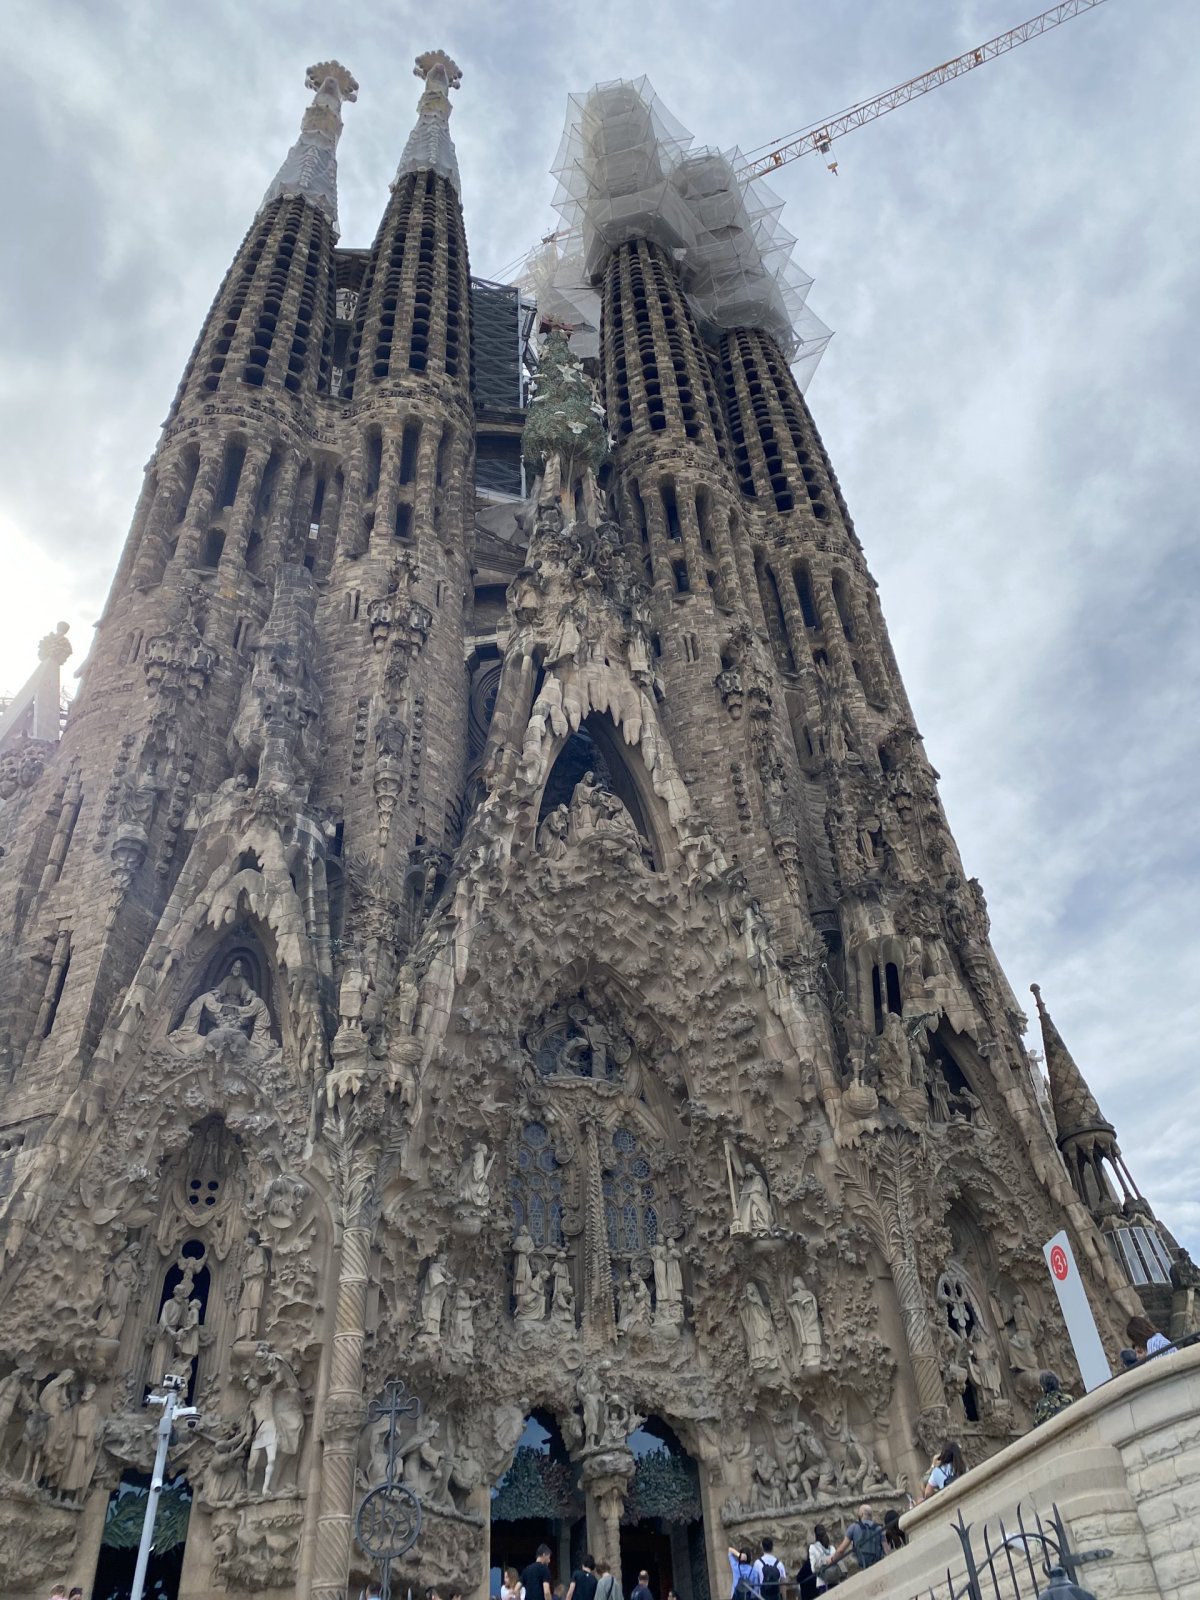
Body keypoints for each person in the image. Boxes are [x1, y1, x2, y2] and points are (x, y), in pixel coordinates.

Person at [827, 1504, 886, 1573]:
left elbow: (841, 1550)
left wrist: (832, 1560)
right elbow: (886, 1548)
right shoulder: (879, 1528)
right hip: (877, 1567)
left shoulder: (854, 1527)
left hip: (861, 1568)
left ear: (861, 1514)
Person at [755, 1536, 786, 1600]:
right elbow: (783, 1585)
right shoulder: (779, 1564)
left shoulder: (757, 1563)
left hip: (762, 1597)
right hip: (776, 1597)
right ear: (772, 1548)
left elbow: (756, 1584)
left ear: (762, 1547)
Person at [808, 1526, 837, 1593]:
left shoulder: (831, 1548)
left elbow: (813, 1569)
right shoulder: (813, 1548)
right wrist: (827, 1560)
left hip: (829, 1582)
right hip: (829, 1581)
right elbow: (813, 1569)